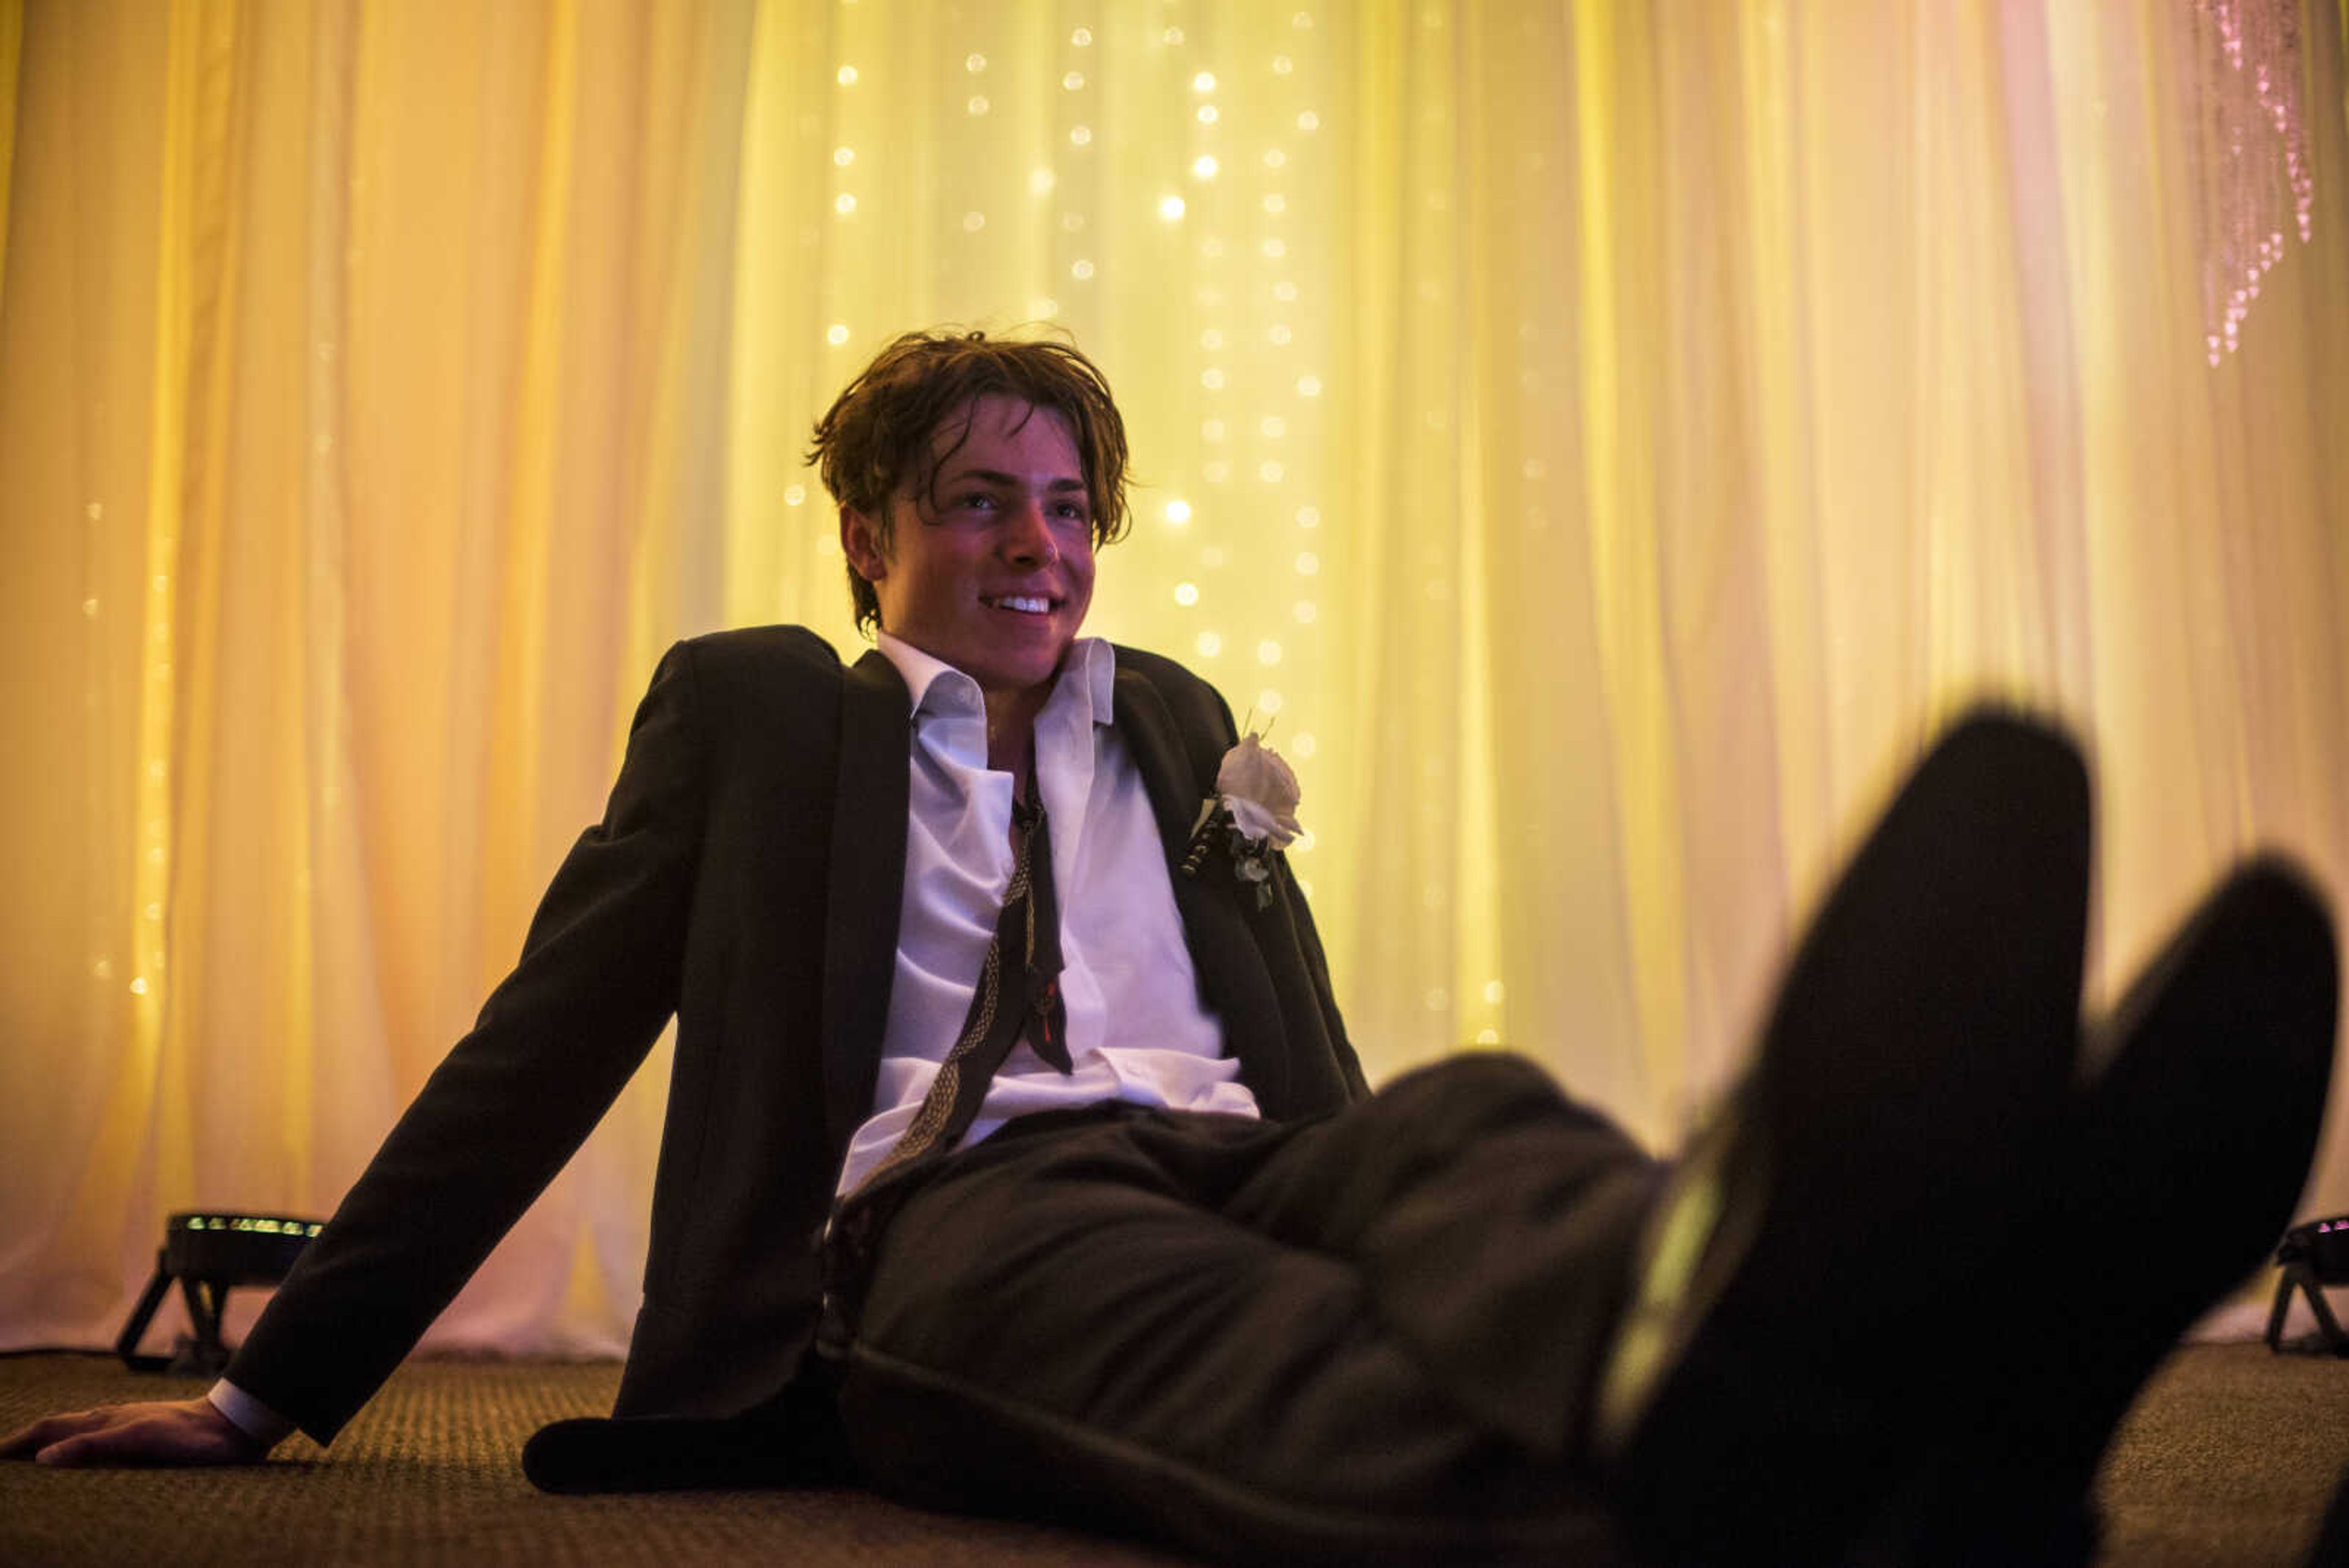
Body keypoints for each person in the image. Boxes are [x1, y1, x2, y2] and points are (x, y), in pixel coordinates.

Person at [5, 329, 2337, 1567]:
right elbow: (549, 1032)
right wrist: (269, 1380)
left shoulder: (1184, 722)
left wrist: (1391, 1181)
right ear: (869, 532)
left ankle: (1740, 1307)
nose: (1043, 545)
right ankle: (1856, 1454)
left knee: (1466, 1122)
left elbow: (1295, 1037)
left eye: (1071, 506)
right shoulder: (760, 714)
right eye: (985, 502)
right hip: (946, 1216)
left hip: (1236, 1144)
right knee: (1201, 1336)